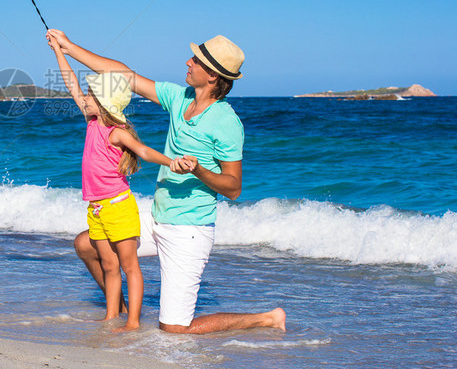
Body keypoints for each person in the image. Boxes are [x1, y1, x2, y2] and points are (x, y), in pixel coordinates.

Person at [46, 29, 286, 334]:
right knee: (85, 245)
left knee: (174, 329)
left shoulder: (226, 122)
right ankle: (120, 309)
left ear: (212, 77)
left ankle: (266, 318)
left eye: (196, 61)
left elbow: (234, 188)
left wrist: (199, 171)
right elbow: (125, 76)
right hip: (157, 217)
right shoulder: (178, 97)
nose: (188, 62)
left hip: (188, 230)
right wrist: (67, 47)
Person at [48, 33, 177, 332]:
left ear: (104, 104)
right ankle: (111, 316)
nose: (85, 98)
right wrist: (59, 51)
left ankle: (132, 321)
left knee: (129, 266)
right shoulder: (92, 122)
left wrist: (172, 163)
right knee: (109, 266)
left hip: (119, 207)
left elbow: (143, 151)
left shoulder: (116, 133)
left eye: (91, 96)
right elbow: (71, 83)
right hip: (96, 209)